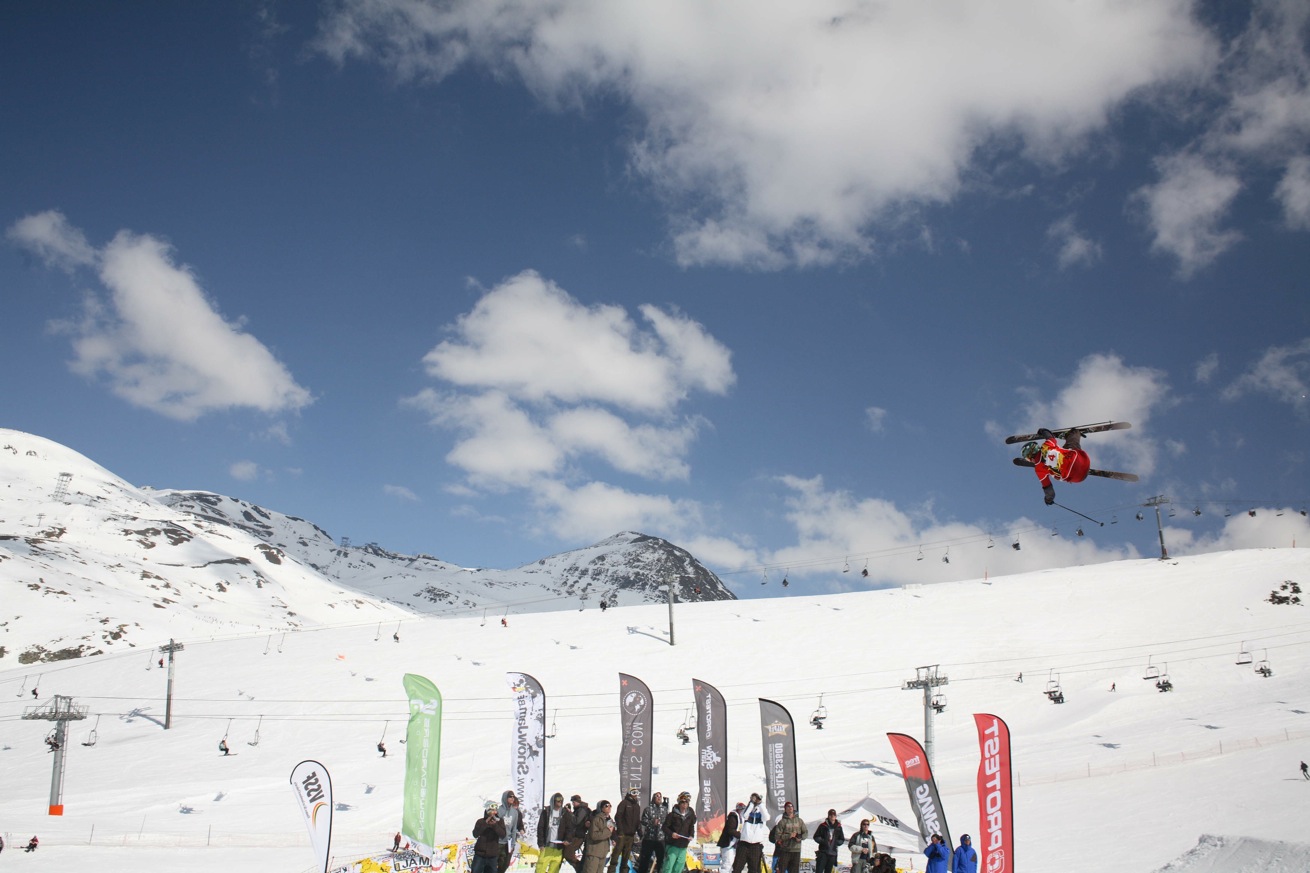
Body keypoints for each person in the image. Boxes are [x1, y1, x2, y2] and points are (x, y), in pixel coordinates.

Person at [1019, 428, 1090, 505]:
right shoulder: (1046, 445)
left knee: (1054, 473)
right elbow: (1050, 436)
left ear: (1030, 458)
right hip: (1084, 460)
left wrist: (1048, 499)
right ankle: (1074, 433)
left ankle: (1066, 471)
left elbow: (1048, 488)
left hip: (1078, 478)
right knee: (1071, 444)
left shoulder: (1038, 470)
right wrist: (1043, 431)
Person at [537, 792, 574, 873]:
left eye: (561, 800)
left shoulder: (565, 813)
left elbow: (570, 828)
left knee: (554, 869)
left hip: (559, 846)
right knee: (540, 867)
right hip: (547, 846)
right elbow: (540, 828)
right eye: (557, 800)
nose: (559, 802)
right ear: (553, 801)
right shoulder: (546, 812)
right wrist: (541, 844)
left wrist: (567, 839)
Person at [661, 791, 697, 873]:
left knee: (679, 867)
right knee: (668, 866)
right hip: (673, 844)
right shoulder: (672, 815)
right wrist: (672, 834)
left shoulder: (690, 815)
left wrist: (691, 835)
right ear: (679, 804)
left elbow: (691, 827)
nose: (684, 805)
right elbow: (664, 827)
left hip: (683, 844)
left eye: (686, 803)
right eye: (682, 803)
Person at [732, 793, 768, 873]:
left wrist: (760, 804)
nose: (755, 800)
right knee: (737, 868)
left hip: (756, 845)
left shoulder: (761, 812)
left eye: (756, 799)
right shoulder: (746, 810)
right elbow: (744, 815)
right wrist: (751, 803)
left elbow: (767, 817)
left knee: (754, 869)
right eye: (753, 798)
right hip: (744, 844)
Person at [610, 788, 642, 873]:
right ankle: (611, 871)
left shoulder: (637, 806)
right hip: (622, 834)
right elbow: (618, 817)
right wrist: (620, 831)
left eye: (636, 793)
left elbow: (637, 821)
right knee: (616, 856)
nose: (635, 794)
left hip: (631, 835)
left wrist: (640, 833)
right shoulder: (624, 803)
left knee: (626, 857)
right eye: (633, 792)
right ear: (629, 793)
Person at [636, 791, 669, 873]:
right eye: (657, 796)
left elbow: (668, 823)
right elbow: (643, 821)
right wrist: (652, 822)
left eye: (660, 796)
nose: (658, 798)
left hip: (660, 839)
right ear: (653, 798)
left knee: (661, 861)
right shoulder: (648, 809)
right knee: (644, 860)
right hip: (649, 839)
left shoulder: (664, 809)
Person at [772, 801, 807, 873]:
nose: (790, 808)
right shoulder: (782, 822)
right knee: (781, 870)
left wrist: (800, 837)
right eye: (788, 806)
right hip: (785, 850)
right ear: (785, 809)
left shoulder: (799, 821)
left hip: (796, 850)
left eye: (791, 806)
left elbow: (805, 832)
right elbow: (777, 836)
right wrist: (789, 835)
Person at [473, 801, 509, 873]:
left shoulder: (500, 821)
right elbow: (475, 834)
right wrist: (485, 824)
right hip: (480, 855)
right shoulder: (480, 821)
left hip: (492, 856)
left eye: (495, 810)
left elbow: (503, 835)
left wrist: (495, 825)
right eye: (492, 810)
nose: (494, 812)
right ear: (488, 810)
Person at [582, 800, 616, 873]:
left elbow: (612, 832)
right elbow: (594, 836)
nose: (609, 807)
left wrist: (614, 838)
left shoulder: (609, 819)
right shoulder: (596, 819)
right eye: (606, 806)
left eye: (610, 806)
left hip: (603, 852)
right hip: (594, 852)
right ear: (601, 808)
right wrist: (608, 831)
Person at [499, 790, 525, 873]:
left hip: (508, 843)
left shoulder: (515, 812)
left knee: (505, 865)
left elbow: (514, 829)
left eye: (513, 796)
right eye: (510, 796)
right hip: (497, 842)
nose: (512, 798)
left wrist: (513, 843)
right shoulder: (499, 810)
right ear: (505, 798)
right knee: (494, 864)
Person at [565, 795, 592, 873]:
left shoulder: (582, 810)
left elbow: (576, 821)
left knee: (568, 853)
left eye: (573, 802)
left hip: (578, 835)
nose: (573, 804)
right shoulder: (579, 809)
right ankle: (580, 868)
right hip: (576, 835)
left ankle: (580, 868)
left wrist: (570, 813)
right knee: (568, 853)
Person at [812, 809, 844, 873]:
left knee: (828, 871)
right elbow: (816, 837)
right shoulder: (823, 826)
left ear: (836, 816)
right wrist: (823, 841)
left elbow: (842, 839)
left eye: (834, 815)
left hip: (832, 853)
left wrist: (836, 843)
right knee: (819, 871)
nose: (832, 816)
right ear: (828, 816)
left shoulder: (839, 827)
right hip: (823, 852)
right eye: (831, 815)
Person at [718, 801, 744, 873]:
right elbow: (730, 830)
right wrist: (741, 836)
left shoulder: (741, 818)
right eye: (741, 809)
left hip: (735, 845)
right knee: (727, 864)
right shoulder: (733, 817)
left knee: (733, 865)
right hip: (728, 844)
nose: (742, 811)